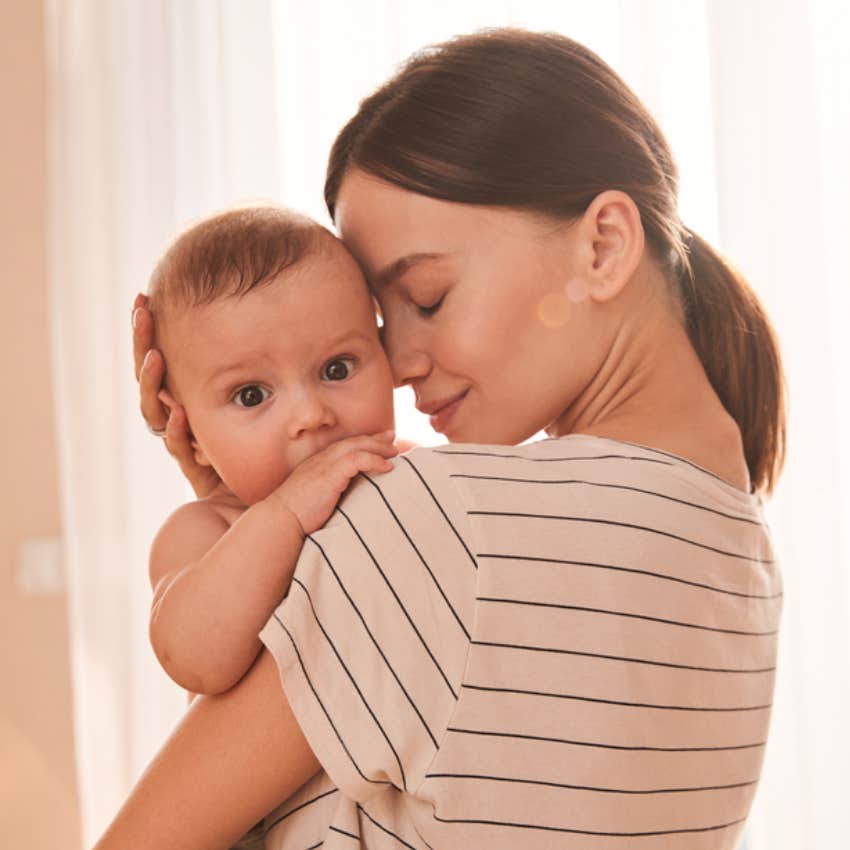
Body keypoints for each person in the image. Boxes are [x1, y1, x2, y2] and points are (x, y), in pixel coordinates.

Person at [97, 28, 785, 850]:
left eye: (426, 296)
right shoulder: (741, 552)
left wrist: (250, 510)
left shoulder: (434, 521)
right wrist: (239, 508)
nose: (396, 360)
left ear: (602, 245)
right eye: (382, 323)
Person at [140, 206, 400, 849]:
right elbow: (198, 657)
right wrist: (282, 513)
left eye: (338, 369)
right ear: (190, 432)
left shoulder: (405, 484)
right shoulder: (208, 528)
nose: (311, 415)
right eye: (252, 395)